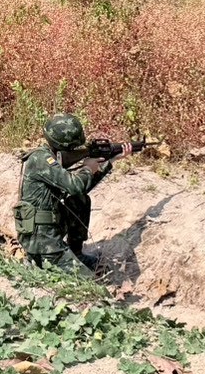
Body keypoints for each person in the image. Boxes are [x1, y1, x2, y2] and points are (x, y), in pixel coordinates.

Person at [14, 112, 134, 276]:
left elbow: (80, 189)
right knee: (91, 286)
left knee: (80, 200)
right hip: (40, 239)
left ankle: (75, 253)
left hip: (49, 227)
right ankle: (39, 261)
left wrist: (111, 160)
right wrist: (87, 168)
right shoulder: (41, 159)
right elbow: (75, 185)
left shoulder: (50, 156)